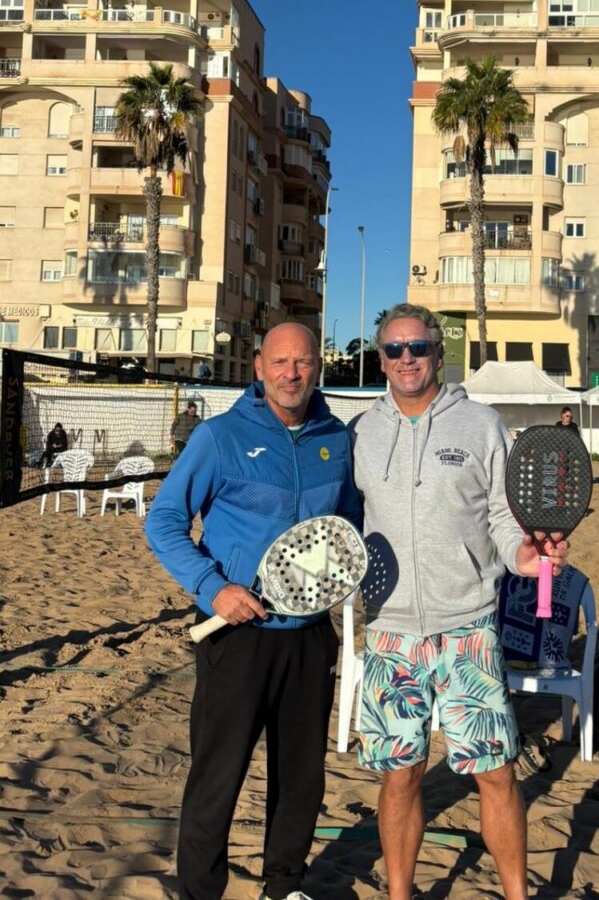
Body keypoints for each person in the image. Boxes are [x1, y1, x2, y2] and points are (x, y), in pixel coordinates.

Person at [349, 303, 568, 900]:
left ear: (438, 353)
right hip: (391, 630)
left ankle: (517, 895)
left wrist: (523, 557)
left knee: (495, 775)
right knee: (401, 775)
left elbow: (502, 513)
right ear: (381, 358)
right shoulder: (361, 431)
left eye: (417, 347)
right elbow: (346, 521)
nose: (405, 359)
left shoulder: (481, 424)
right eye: (393, 349)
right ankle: (400, 894)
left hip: (468, 626)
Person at [145, 323, 361, 900]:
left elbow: (349, 526)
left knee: (301, 778)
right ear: (259, 364)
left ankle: (284, 885)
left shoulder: (336, 439)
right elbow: (163, 522)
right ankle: (199, 890)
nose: (292, 374)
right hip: (235, 635)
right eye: (281, 362)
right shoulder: (219, 437)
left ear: (318, 367)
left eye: (304, 363)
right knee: (218, 777)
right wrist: (212, 587)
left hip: (311, 636)